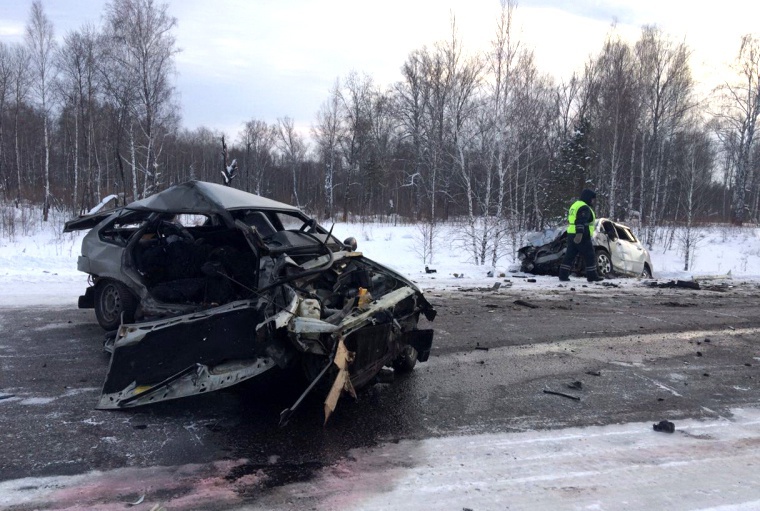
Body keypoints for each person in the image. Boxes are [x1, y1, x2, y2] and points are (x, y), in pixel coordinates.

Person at [558, 189, 604, 282]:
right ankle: (592, 276)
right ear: (587, 197)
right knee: (590, 255)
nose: (593, 201)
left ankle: (563, 275)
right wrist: (579, 234)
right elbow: (580, 221)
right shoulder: (584, 207)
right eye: (592, 199)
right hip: (581, 235)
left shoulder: (574, 205)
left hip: (571, 233)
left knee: (569, 255)